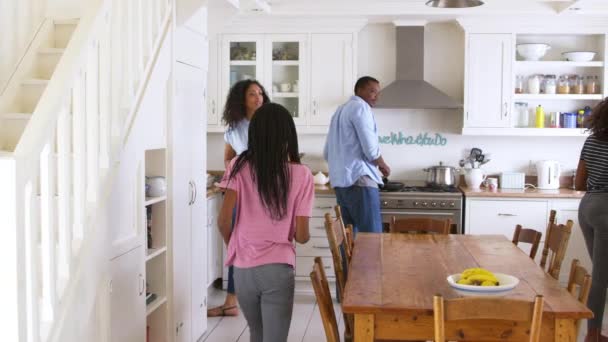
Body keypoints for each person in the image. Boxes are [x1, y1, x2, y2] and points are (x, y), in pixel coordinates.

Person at [217, 103, 313, 342]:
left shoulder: (237, 166)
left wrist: (237, 246)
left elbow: (223, 221)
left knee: (256, 334)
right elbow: (302, 236)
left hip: (242, 270)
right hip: (277, 270)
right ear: (288, 135)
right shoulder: (302, 175)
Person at [207, 79, 270, 318]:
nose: (258, 97)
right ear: (241, 99)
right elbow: (227, 157)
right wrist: (235, 173)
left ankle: (257, 297)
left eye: (260, 93)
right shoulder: (233, 129)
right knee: (237, 244)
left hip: (263, 193)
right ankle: (232, 300)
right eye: (252, 94)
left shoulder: (269, 124)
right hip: (239, 191)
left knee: (259, 245)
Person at [323, 76, 390, 234]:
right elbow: (370, 148)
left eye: (378, 93)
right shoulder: (361, 107)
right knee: (372, 239)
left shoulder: (340, 110)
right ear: (359, 90)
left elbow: (327, 152)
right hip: (360, 181)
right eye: (372, 91)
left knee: (349, 241)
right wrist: (383, 164)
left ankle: (348, 262)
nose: (376, 96)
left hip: (341, 185)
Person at [575, 98, 608, 342]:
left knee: (602, 273)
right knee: (601, 277)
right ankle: (593, 335)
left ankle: (596, 332)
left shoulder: (592, 140)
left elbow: (578, 183)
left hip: (588, 206)